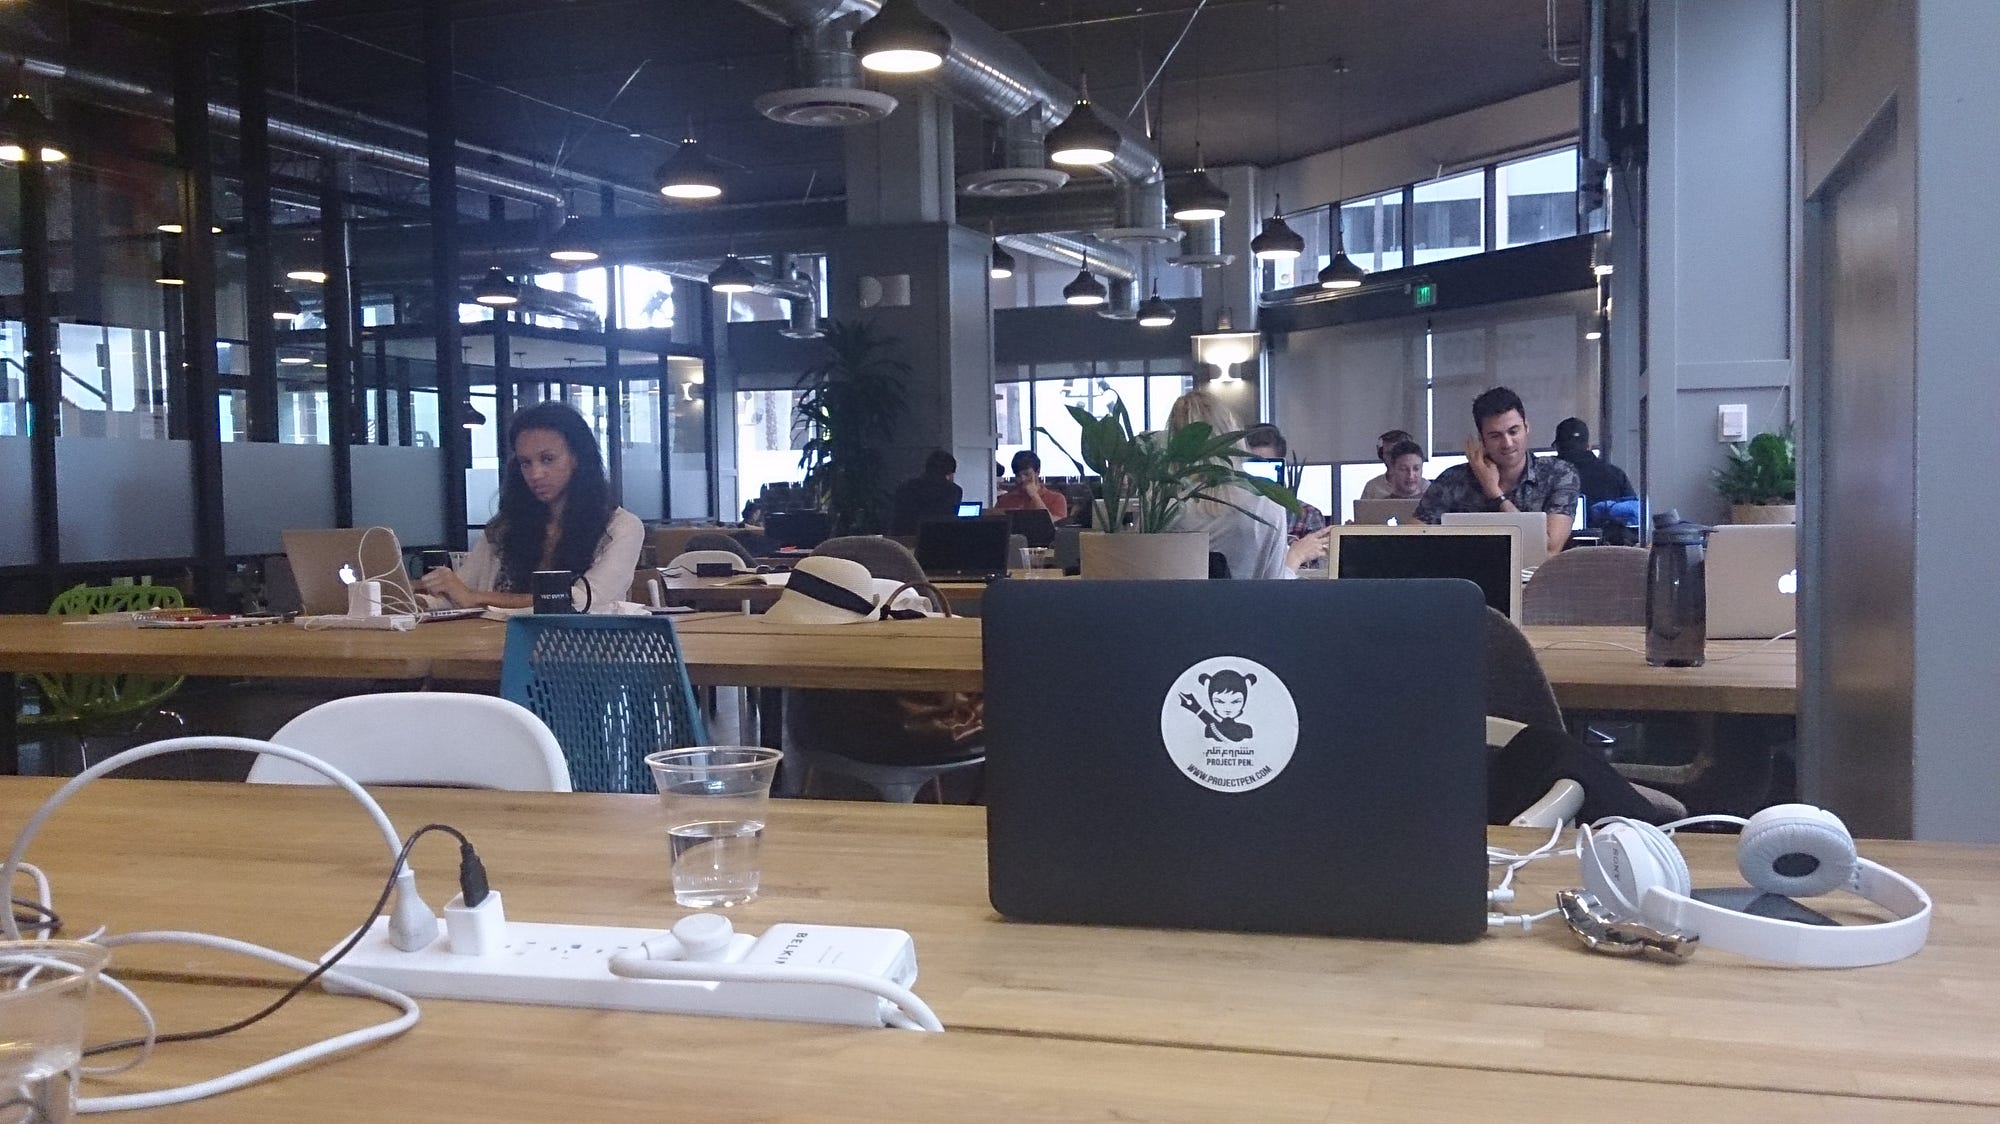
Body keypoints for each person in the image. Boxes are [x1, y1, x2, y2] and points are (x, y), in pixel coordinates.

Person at [418, 400, 643, 611]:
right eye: (525, 463)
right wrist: (411, 599)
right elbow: (458, 592)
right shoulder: (506, 527)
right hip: (496, 638)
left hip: (578, 640)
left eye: (548, 459)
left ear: (577, 458)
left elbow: (586, 600)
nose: (535, 474)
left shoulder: (621, 527)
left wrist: (477, 597)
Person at [1163, 391, 1329, 579]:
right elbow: (1274, 586)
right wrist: (1294, 558)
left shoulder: (1162, 509)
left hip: (1177, 598)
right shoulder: (1266, 505)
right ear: (1232, 436)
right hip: (1248, 599)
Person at [1414, 386, 1580, 557]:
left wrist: (1494, 492)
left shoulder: (1559, 474)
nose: (1507, 443)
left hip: (1533, 574)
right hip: (1464, 571)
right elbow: (1411, 539)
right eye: (1495, 436)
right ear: (1482, 439)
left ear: (1526, 427)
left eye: (1513, 431)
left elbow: (1548, 550)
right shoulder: (1453, 479)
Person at [1241, 423, 1325, 539]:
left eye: (1266, 465)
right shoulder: (1227, 514)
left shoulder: (1307, 515)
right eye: (1251, 465)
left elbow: (1318, 550)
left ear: (1281, 466)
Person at [1551, 417, 1636, 518]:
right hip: (1607, 529)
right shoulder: (1615, 474)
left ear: (1557, 446)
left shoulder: (1546, 475)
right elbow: (1634, 515)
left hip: (1556, 528)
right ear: (1588, 446)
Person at [888, 449, 963, 535]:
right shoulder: (954, 491)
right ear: (949, 473)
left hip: (905, 538)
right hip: (942, 538)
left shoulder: (905, 487)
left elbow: (897, 520)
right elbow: (952, 522)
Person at [993, 450, 1069, 521]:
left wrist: (1035, 496)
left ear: (1037, 472)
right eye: (1018, 475)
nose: (1022, 479)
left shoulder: (1056, 499)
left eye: (1027, 474)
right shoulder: (1005, 500)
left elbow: (1055, 524)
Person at [1358, 429, 1417, 500]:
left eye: (1398, 453)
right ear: (1381, 455)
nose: (1393, 458)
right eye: (1389, 453)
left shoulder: (1424, 487)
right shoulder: (1372, 487)